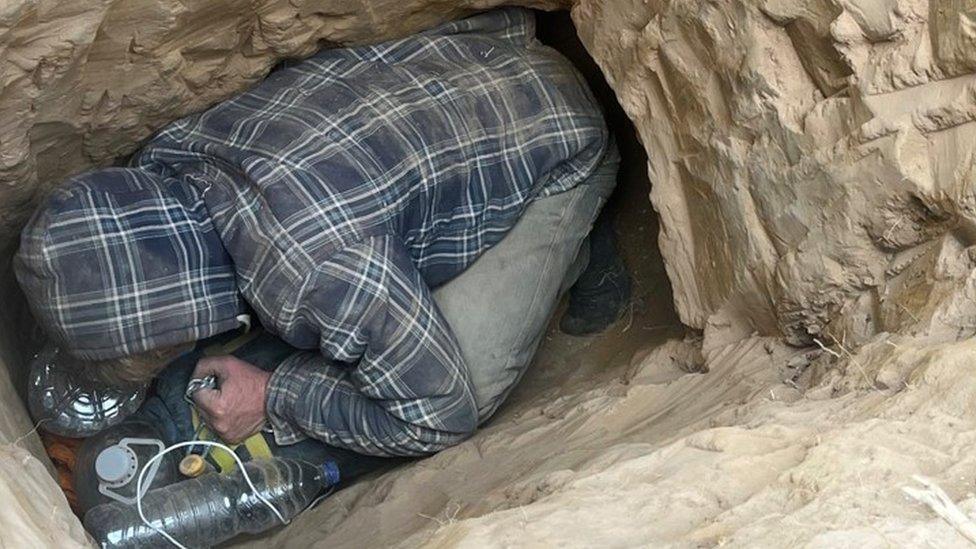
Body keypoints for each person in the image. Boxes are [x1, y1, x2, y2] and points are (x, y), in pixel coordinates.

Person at [16, 8, 626, 459]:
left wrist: (275, 393)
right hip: (485, 48)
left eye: (152, 353)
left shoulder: (312, 274)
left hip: (560, 143)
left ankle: (573, 245)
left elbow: (437, 417)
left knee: (467, 383)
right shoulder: (172, 151)